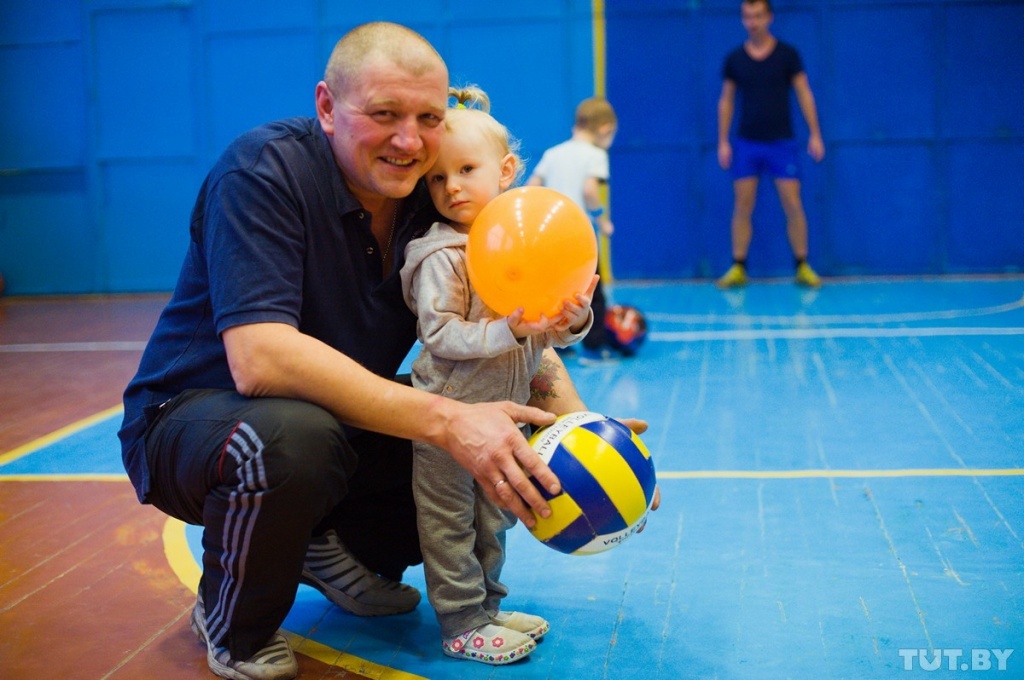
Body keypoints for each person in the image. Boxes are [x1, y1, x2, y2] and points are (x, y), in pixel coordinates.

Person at [117, 22, 629, 680]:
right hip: (195, 421)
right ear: (328, 107)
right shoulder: (263, 171)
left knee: (463, 475)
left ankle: (313, 543)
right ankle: (232, 623)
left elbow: (514, 322)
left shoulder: (428, 195)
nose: (410, 141)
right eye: (384, 115)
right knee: (299, 438)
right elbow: (261, 360)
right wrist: (449, 422)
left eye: (428, 118)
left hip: (330, 418)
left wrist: (583, 432)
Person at [400, 87, 596, 665]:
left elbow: (550, 335)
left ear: (506, 170)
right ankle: (461, 622)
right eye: (436, 178)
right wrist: (506, 330)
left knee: (495, 519)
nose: (451, 187)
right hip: (446, 420)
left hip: (503, 421)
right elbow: (439, 335)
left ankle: (488, 604)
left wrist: (573, 317)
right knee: (451, 528)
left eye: (465, 170)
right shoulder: (443, 254)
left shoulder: (525, 240)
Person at [716, 0, 825, 289]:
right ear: (743, 19)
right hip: (747, 144)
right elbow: (726, 101)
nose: (753, 21)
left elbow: (804, 93)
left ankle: (802, 265)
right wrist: (723, 141)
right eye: (747, 16)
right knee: (742, 205)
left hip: (782, 143)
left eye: (758, 16)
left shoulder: (788, 55)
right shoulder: (734, 59)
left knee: (793, 203)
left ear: (769, 18)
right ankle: (738, 266)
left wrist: (815, 133)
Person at [528, 97, 619, 364]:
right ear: (604, 129)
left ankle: (559, 345)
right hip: (578, 236)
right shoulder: (596, 155)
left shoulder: (553, 153)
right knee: (591, 291)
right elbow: (590, 190)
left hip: (549, 235)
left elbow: (533, 186)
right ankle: (595, 345)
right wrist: (601, 219)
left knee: (554, 290)